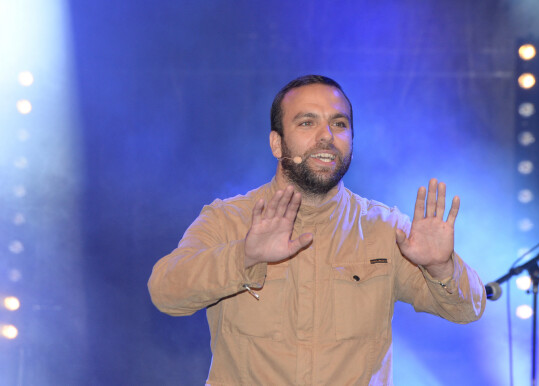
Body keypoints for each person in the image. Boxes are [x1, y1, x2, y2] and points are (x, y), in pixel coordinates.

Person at [148, 75, 486, 385]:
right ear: (276, 143)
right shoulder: (229, 219)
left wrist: (442, 267)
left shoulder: (384, 229)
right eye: (307, 122)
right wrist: (243, 257)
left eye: (339, 123)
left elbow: (467, 309)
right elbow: (165, 292)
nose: (327, 136)